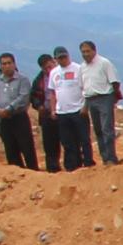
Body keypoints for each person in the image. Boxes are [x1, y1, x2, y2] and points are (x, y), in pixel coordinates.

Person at [41, 43, 93, 171]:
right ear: (55, 59)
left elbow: (86, 89)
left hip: (78, 110)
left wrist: (85, 106)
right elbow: (52, 93)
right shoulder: (54, 72)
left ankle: (88, 163)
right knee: (67, 141)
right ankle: (72, 166)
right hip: (62, 112)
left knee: (84, 139)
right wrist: (53, 109)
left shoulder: (78, 69)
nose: (63, 59)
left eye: (64, 57)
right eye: (60, 58)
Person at [0, 52, 38, 169]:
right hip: (4, 120)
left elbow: (23, 97)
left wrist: (8, 109)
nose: (6, 66)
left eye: (9, 63)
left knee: (26, 147)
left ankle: (33, 171)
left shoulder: (22, 80)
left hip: (19, 117)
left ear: (14, 64)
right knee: (10, 148)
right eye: (3, 64)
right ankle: (16, 172)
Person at [80, 37, 123, 164]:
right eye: (83, 52)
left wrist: (113, 98)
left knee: (107, 129)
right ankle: (105, 157)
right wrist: (85, 105)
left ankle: (111, 158)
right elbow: (84, 86)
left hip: (104, 97)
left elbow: (115, 81)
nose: (86, 54)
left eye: (88, 51)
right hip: (91, 99)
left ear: (94, 51)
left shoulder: (104, 63)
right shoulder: (82, 67)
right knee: (98, 130)